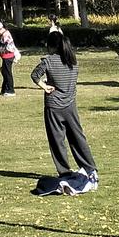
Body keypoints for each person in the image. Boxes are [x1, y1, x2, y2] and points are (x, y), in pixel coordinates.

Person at [31, 29, 98, 195]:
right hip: (70, 105)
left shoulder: (48, 61)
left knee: (57, 141)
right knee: (77, 138)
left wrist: (45, 86)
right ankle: (90, 169)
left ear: (51, 46)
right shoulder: (73, 61)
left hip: (53, 105)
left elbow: (34, 75)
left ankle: (65, 172)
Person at [0, 20, 20, 95]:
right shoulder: (2, 34)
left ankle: (11, 91)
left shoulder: (6, 35)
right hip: (5, 56)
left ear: (1, 28)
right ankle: (4, 90)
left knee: (8, 73)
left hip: (8, 57)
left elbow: (4, 47)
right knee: (4, 72)